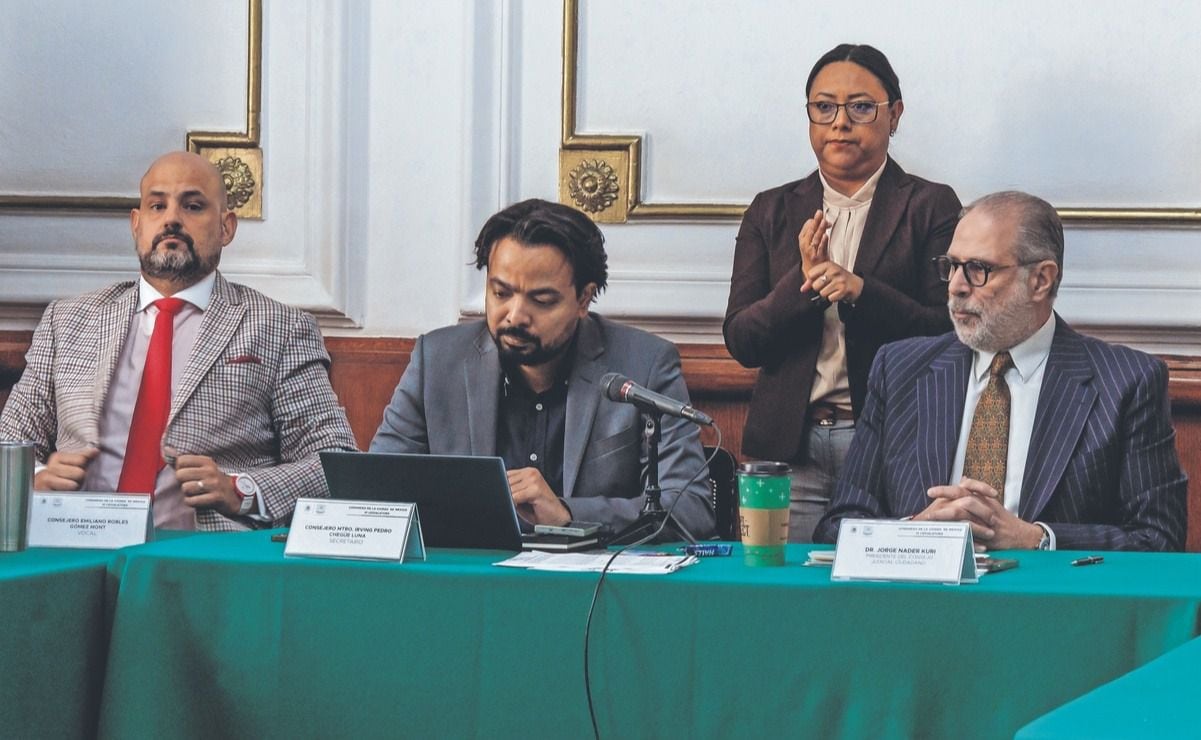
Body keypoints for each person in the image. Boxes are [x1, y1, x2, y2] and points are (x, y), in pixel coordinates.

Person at [0, 152, 357, 531]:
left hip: (204, 561)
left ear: (226, 227)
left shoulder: (279, 327)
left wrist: (243, 490)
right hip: (74, 543)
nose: (171, 219)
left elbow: (335, 461)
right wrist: (35, 478)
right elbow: (9, 443)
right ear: (136, 224)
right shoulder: (69, 320)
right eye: (157, 205)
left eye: (193, 205)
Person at [814, 191, 1187, 551]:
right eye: (951, 266)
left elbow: (1157, 538)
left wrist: (1036, 539)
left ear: (1040, 280)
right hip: (922, 605)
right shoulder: (899, 370)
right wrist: (915, 535)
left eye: (979, 269)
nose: (956, 287)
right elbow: (839, 524)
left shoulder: (1126, 382)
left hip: (1050, 606)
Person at [724, 43, 960, 542]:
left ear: (893, 115)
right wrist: (804, 285)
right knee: (785, 594)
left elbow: (949, 333)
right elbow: (743, 340)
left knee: (882, 597)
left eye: (860, 107)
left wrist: (859, 291)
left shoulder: (931, 206)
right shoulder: (771, 210)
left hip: (892, 441)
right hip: (791, 448)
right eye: (824, 107)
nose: (840, 123)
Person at [371, 198, 714, 539]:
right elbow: (376, 490)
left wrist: (568, 513)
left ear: (584, 299)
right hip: (470, 584)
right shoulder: (438, 361)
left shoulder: (645, 364)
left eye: (542, 301)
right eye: (501, 293)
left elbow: (690, 508)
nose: (516, 315)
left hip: (592, 588)